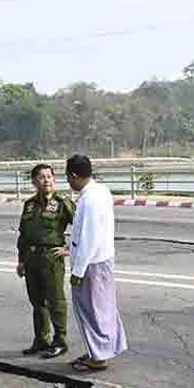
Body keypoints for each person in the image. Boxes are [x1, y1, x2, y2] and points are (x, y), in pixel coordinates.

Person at [65, 154, 127, 371]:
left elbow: (89, 238)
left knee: (90, 311)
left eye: (68, 177)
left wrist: (78, 271)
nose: (68, 182)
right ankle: (100, 349)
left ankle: (98, 358)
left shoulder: (89, 199)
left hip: (91, 264)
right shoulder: (101, 191)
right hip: (103, 259)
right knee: (104, 308)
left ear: (73, 175)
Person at [16, 164, 76, 359]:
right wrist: (21, 260)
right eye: (42, 177)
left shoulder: (62, 202)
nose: (47, 180)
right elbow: (23, 234)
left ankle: (60, 341)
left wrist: (70, 249)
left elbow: (82, 225)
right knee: (37, 302)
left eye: (49, 176)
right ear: (34, 181)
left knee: (55, 300)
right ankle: (41, 339)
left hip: (51, 258)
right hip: (31, 258)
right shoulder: (30, 205)